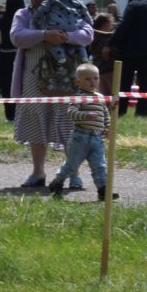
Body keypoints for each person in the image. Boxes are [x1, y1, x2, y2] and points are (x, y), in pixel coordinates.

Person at [10, 0, 92, 189]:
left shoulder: (69, 6)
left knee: (68, 123)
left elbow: (87, 33)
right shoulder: (23, 14)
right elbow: (17, 37)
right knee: (36, 122)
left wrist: (66, 37)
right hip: (33, 78)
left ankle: (74, 174)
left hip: (67, 76)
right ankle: (38, 173)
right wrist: (45, 35)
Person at [48, 63, 114, 198]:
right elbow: (71, 112)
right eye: (88, 79)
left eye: (95, 78)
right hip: (80, 137)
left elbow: (105, 114)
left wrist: (107, 127)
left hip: (97, 138)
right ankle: (58, 182)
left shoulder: (100, 97)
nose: (92, 82)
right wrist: (86, 116)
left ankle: (103, 191)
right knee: (71, 165)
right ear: (78, 82)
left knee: (99, 165)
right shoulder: (79, 97)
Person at [115, 0, 147, 118]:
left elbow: (124, 26)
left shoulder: (133, 5)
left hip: (129, 52)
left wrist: (111, 44)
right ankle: (142, 112)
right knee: (145, 84)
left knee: (124, 83)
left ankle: (120, 111)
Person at [0, 0, 20, 121]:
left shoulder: (2, 21)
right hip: (23, 56)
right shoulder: (26, 19)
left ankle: (10, 114)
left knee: (7, 86)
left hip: (5, 57)